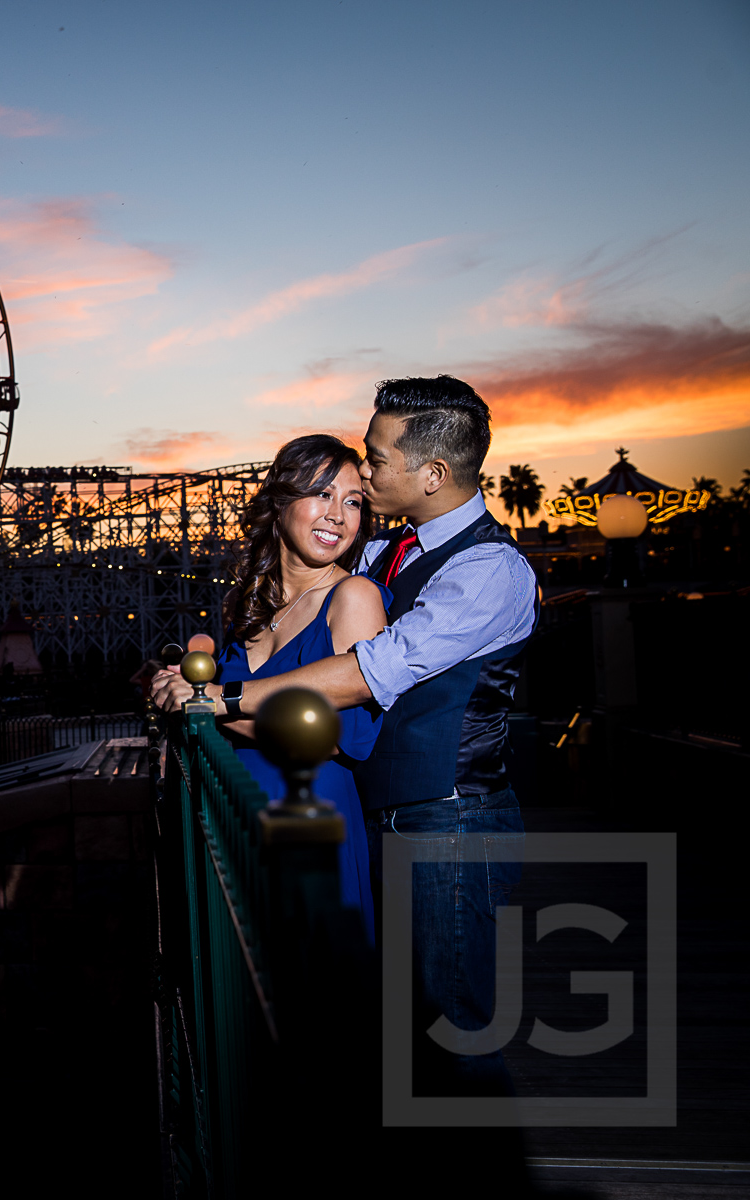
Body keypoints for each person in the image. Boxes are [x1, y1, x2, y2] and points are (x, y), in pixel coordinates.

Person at [152, 376, 537, 1094]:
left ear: (433, 473)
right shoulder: (381, 555)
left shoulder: (489, 570)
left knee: (453, 1032)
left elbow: (365, 674)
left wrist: (213, 696)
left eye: (376, 459)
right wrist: (193, 653)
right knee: (391, 1031)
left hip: (450, 820)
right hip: (379, 818)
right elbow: (281, 605)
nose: (364, 473)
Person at [211, 434, 388, 944]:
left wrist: (209, 706)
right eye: (322, 494)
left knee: (313, 1001)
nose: (338, 513)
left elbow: (338, 736)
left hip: (310, 821)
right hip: (236, 819)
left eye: (353, 501)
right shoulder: (254, 601)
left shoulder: (353, 596)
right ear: (281, 501)